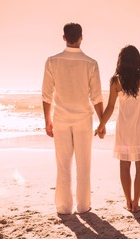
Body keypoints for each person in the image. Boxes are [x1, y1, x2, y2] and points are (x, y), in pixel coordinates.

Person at [42, 23, 105, 215]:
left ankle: (64, 207)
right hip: (83, 120)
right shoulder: (90, 63)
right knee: (83, 164)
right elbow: (96, 96)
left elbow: (46, 95)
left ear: (64, 37)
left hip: (60, 119)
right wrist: (102, 123)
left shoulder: (52, 61)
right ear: (81, 37)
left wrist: (47, 121)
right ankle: (83, 206)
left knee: (63, 165)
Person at [95, 45, 140, 213]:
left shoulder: (116, 81)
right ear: (138, 60)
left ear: (121, 61)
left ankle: (128, 202)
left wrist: (101, 125)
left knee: (124, 165)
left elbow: (109, 107)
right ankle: (136, 203)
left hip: (124, 128)